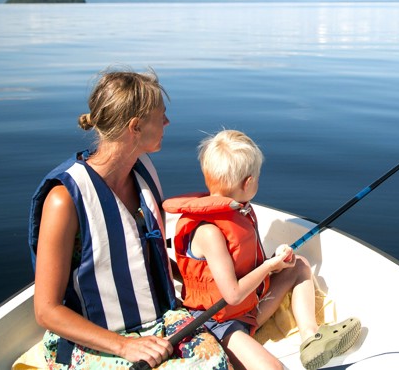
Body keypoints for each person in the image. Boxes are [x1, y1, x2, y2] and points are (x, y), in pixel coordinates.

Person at [29, 68, 229, 369]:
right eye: (161, 116)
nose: (167, 122)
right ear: (135, 127)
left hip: (159, 321)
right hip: (96, 337)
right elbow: (46, 311)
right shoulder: (64, 200)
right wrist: (126, 346)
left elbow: (143, 258)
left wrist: (211, 276)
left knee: (214, 362)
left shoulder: (143, 171)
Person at [163, 129, 361, 370]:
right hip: (218, 323)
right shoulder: (209, 233)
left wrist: (275, 263)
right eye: (257, 177)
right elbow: (232, 295)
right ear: (248, 183)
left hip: (249, 307)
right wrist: (269, 266)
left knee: (299, 265)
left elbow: (242, 265)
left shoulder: (238, 210)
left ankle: (311, 337)